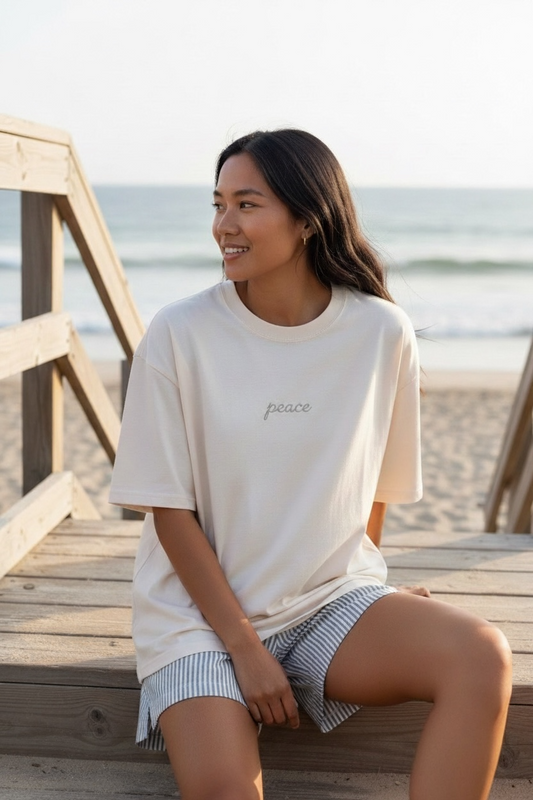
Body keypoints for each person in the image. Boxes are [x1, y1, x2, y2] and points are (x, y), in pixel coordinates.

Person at [109, 129, 512, 800]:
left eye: (246, 205)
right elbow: (168, 510)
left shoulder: (380, 333)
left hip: (328, 605)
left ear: (305, 219)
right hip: (198, 622)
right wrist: (244, 647)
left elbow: (372, 495)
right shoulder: (179, 334)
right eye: (217, 205)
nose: (223, 226)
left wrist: (366, 591)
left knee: (480, 656)